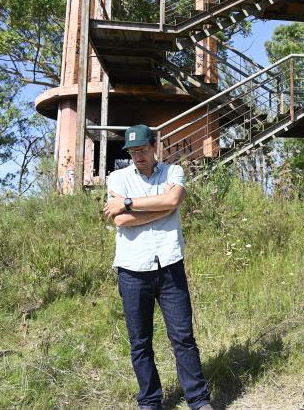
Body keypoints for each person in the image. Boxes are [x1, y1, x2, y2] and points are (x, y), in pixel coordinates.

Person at [103, 125, 213, 410]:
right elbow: (120, 221)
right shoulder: (118, 177)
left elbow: (173, 199)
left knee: (183, 337)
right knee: (140, 342)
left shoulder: (173, 172)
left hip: (169, 267)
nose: (137, 155)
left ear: (154, 147)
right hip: (132, 270)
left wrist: (128, 203)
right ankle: (150, 401)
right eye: (132, 151)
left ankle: (198, 400)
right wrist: (162, 209)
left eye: (142, 149)